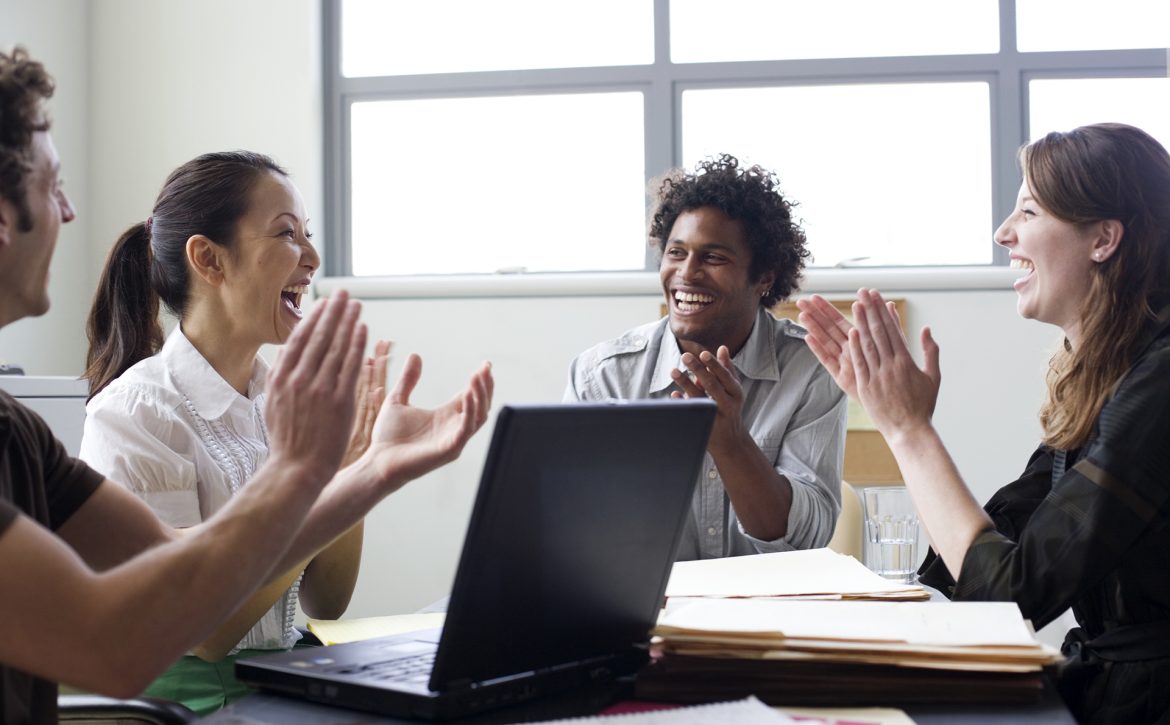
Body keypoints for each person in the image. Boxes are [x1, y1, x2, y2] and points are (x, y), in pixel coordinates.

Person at [0, 46, 493, 725]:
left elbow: (192, 569)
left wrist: (367, 468)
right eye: (53, 187)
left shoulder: (15, 431)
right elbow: (147, 639)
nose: (71, 209)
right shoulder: (132, 407)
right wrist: (303, 470)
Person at [797, 123, 1170, 724]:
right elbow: (1013, 525)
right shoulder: (1109, 376)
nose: (1004, 233)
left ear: (1104, 238)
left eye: (1028, 210)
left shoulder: (1158, 387)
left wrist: (908, 431)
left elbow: (1011, 592)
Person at [76, 150, 385, 714]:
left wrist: (353, 469)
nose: (312, 257)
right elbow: (202, 632)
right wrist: (311, 476)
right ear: (209, 260)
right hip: (194, 701)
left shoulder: (279, 399)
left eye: (307, 234)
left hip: (283, 678)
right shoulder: (136, 413)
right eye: (287, 234)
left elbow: (328, 602)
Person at [565, 154, 846, 559]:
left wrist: (729, 442)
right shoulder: (603, 376)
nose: (687, 273)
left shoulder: (810, 369)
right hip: (647, 613)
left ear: (764, 277)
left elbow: (806, 540)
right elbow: (570, 526)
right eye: (676, 253)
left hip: (771, 615)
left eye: (713, 257)